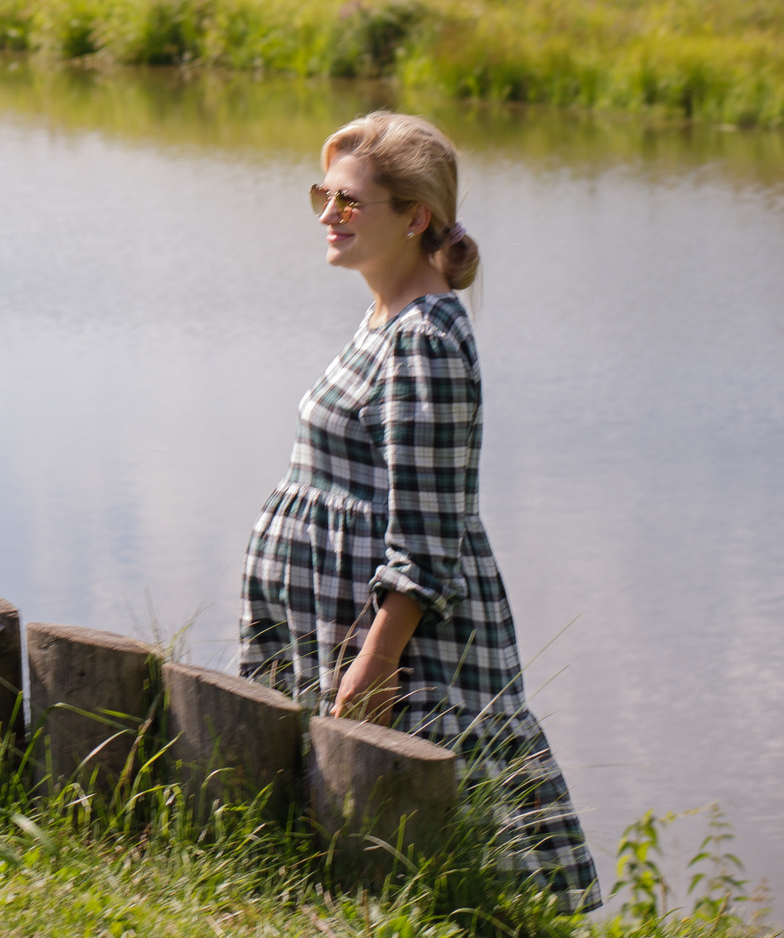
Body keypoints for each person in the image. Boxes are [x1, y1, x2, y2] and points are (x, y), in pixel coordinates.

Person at [239, 110, 598, 911]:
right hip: (341, 625)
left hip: (404, 648)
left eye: (350, 201)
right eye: (322, 196)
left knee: (443, 851)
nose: (329, 216)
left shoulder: (425, 340)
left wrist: (376, 660)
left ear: (416, 215)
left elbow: (430, 531)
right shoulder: (385, 319)